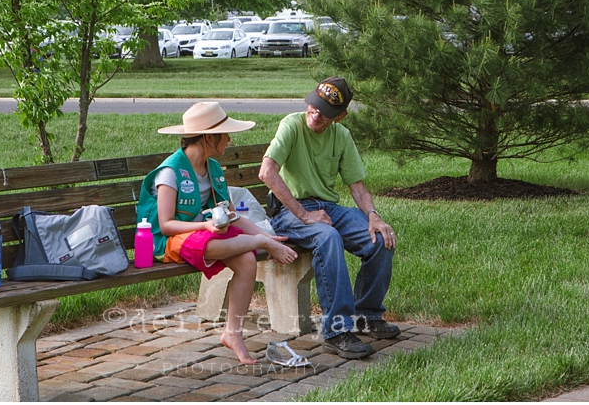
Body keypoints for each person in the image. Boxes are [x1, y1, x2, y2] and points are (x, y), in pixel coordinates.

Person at [137, 102, 297, 364]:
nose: (230, 139)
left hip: (204, 237)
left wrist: (267, 237)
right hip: (166, 242)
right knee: (230, 245)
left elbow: (232, 216)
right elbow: (165, 225)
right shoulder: (170, 172)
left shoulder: (212, 168)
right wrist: (254, 239)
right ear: (209, 137)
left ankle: (233, 333)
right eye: (226, 133)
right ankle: (255, 243)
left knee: (246, 261)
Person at [258, 77, 400, 359]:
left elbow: (357, 187)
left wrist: (373, 216)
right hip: (289, 211)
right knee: (329, 238)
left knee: (381, 239)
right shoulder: (292, 125)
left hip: (326, 208)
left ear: (340, 116)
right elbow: (267, 173)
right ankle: (337, 332)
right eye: (313, 106)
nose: (315, 115)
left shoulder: (342, 136)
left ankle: (366, 315)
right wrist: (304, 214)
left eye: (324, 113)